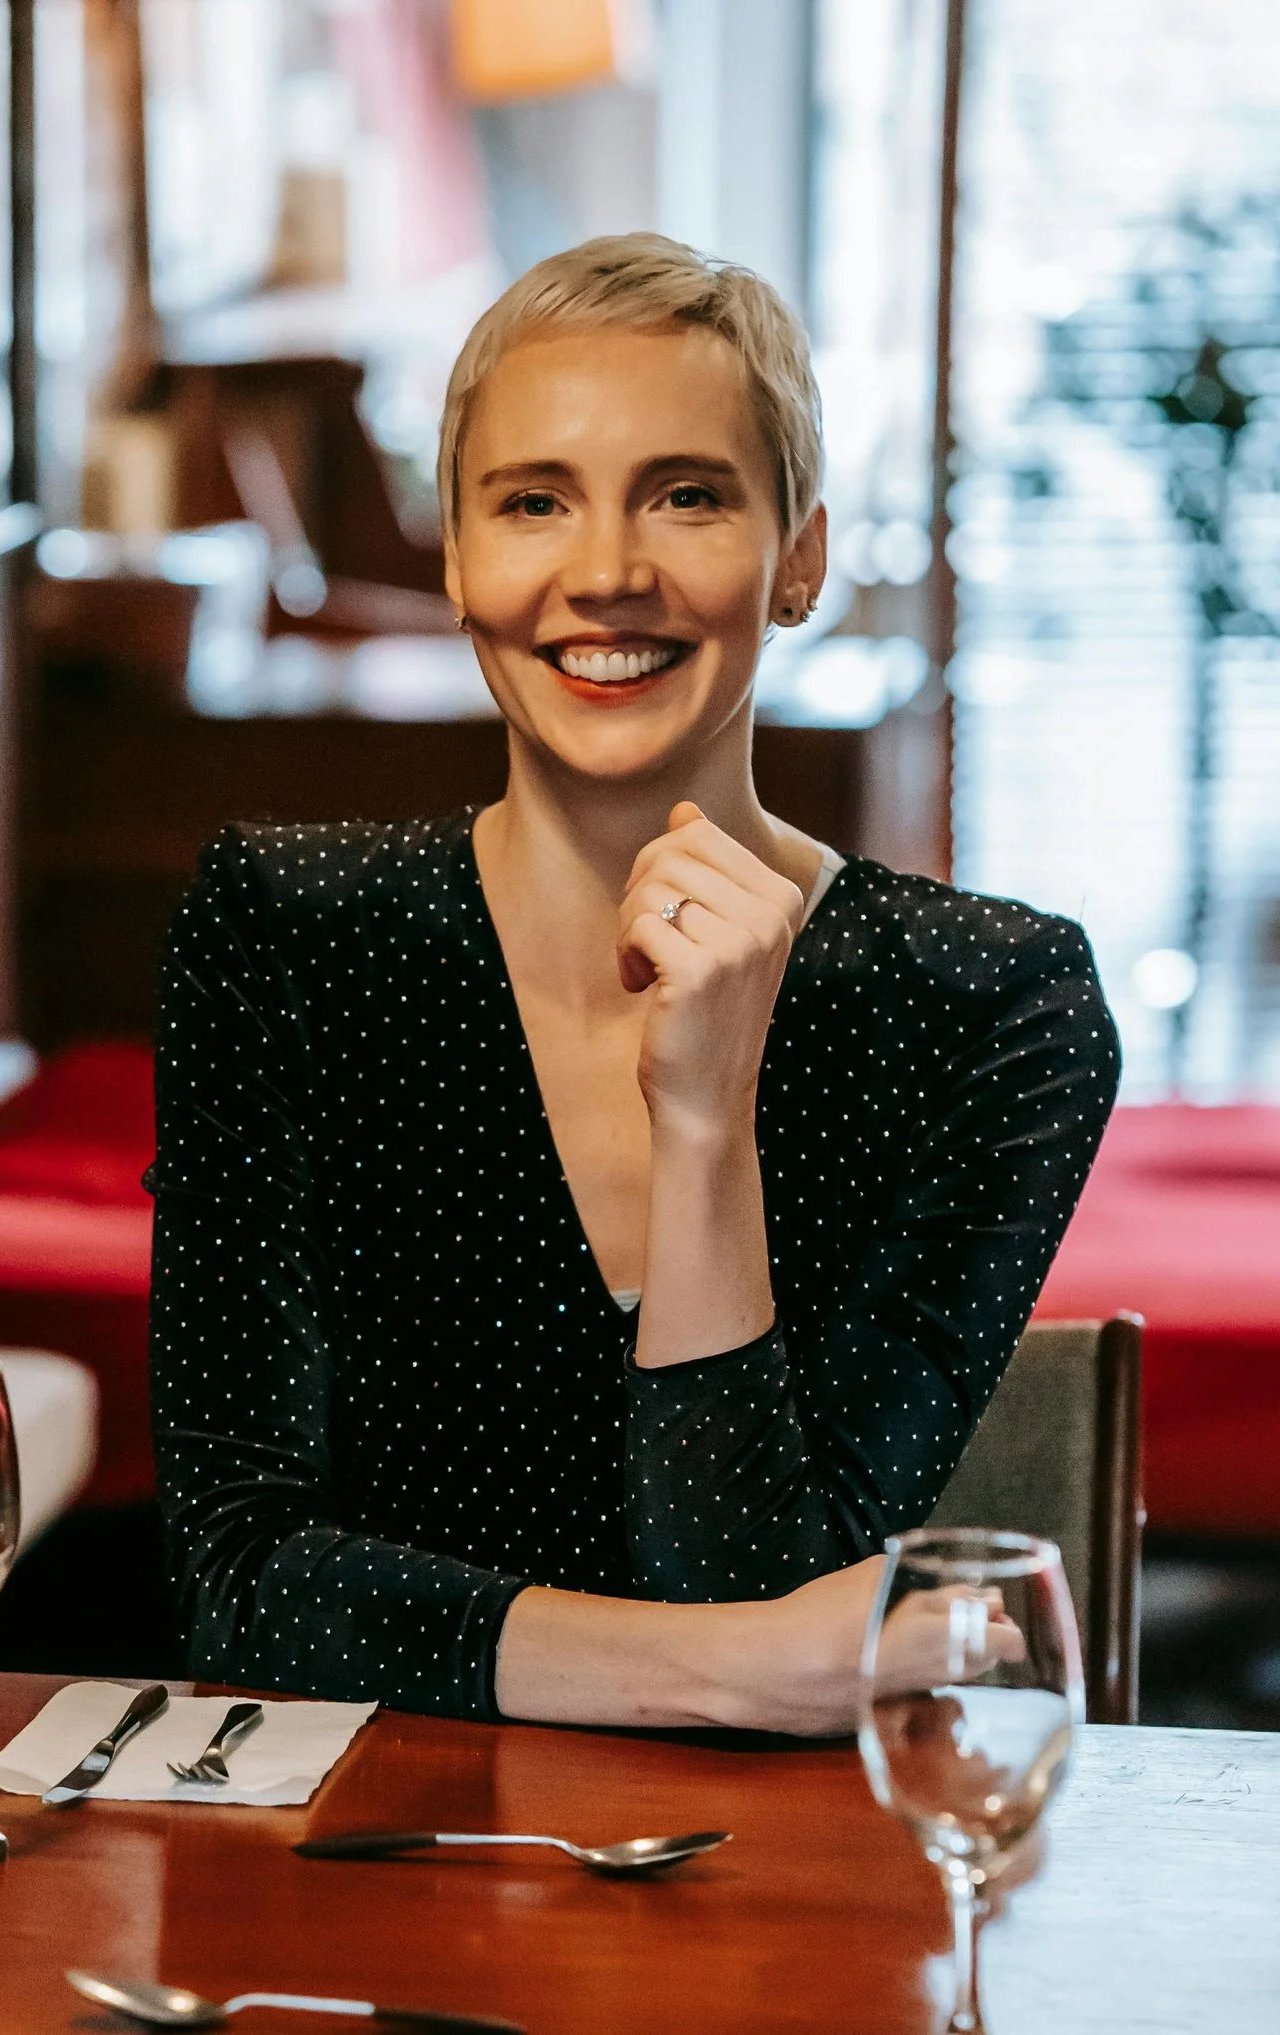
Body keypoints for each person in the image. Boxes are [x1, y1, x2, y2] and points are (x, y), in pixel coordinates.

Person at [148, 235, 1120, 1733]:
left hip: (781, 1863)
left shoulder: (996, 1008)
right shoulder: (284, 934)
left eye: (688, 495)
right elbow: (240, 1579)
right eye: (534, 502)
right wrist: (743, 1668)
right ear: (457, 559)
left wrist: (706, 1118)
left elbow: (744, 1573)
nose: (606, 573)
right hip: (369, 1844)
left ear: (800, 557)